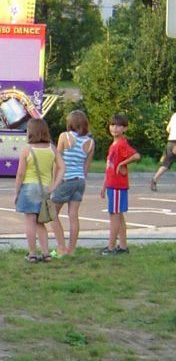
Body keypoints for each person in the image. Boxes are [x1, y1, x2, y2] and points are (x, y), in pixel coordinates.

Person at [13, 117, 66, 262]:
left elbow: (20, 173)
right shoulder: (51, 148)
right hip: (45, 189)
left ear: (31, 132)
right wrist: (54, 185)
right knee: (40, 221)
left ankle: (32, 253)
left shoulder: (27, 149)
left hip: (29, 187)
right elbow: (62, 167)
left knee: (30, 221)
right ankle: (46, 253)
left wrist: (16, 192)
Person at [49, 110, 94, 255]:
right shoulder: (90, 142)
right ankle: (71, 249)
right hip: (80, 180)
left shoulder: (65, 136)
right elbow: (86, 167)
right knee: (73, 214)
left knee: (52, 213)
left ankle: (61, 248)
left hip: (66, 179)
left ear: (70, 123)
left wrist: (54, 182)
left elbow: (58, 161)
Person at [100, 113, 140, 255]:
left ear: (125, 128)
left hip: (117, 185)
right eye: (112, 125)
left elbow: (136, 156)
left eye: (118, 126)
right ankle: (123, 246)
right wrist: (104, 185)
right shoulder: (113, 145)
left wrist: (123, 163)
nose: (114, 128)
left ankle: (111, 247)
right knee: (119, 216)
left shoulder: (121, 144)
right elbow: (109, 167)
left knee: (114, 216)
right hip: (111, 184)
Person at [150, 109, 176, 190]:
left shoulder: (174, 115)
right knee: (167, 163)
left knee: (166, 163)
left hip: (171, 141)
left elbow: (168, 129)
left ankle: (154, 179)